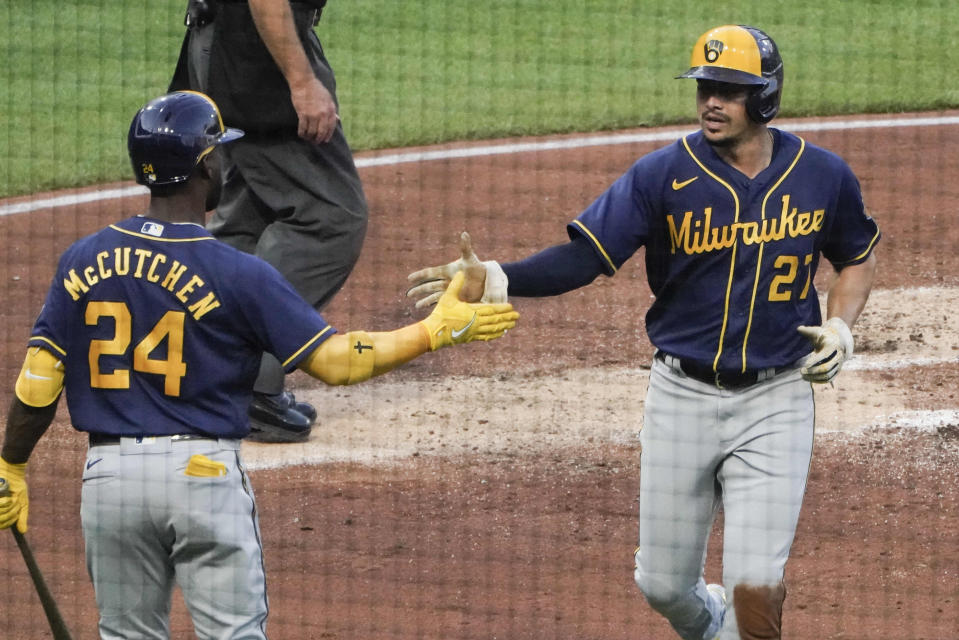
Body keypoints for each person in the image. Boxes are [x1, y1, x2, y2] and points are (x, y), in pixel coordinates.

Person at [407, 25, 879, 640]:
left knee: (756, 589)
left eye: (730, 91)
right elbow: (584, 259)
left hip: (777, 398)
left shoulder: (821, 175)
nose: (712, 101)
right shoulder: (662, 175)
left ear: (764, 98)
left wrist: (841, 325)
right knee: (661, 583)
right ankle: (709, 627)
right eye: (706, 87)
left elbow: (856, 258)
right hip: (681, 397)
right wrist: (499, 274)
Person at [0, 91, 517, 640]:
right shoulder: (237, 273)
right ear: (204, 166)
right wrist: (431, 333)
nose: (226, 161)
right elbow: (336, 363)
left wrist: (10, 466)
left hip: (110, 483)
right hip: (201, 478)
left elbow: (39, 376)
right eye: (218, 151)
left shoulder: (83, 258)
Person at [168, 0, 369, 442]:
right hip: (255, 54)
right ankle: (248, 387)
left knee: (249, 219)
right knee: (329, 219)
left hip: (224, 46)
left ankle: (191, 371)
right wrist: (301, 81)